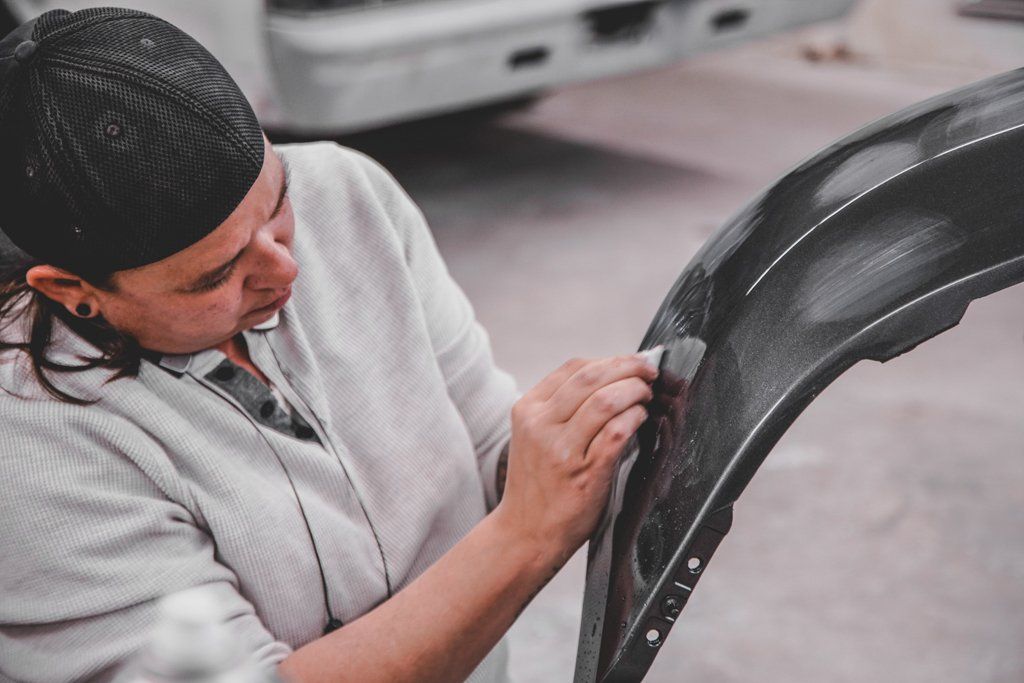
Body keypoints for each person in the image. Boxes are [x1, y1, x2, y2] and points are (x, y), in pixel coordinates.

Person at [0, 8, 657, 682]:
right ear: (73, 290)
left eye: (278, 208)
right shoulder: (27, 444)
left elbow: (487, 439)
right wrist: (527, 535)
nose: (287, 270)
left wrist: (574, 444)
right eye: (217, 275)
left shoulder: (346, 195)